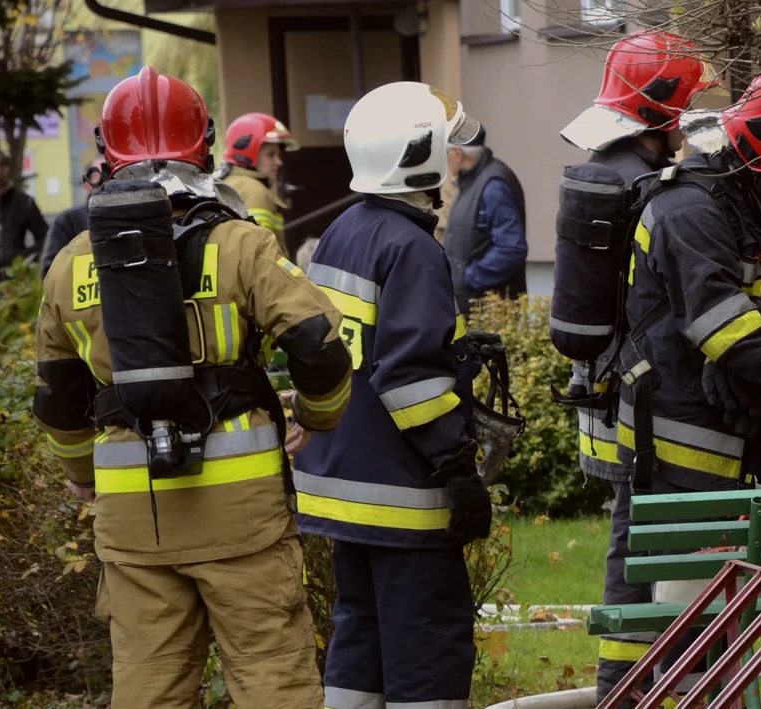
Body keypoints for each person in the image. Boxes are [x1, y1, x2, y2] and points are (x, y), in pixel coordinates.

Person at [33, 67, 352, 708]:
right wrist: (316, 421)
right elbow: (320, 347)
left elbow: (57, 396)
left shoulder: (69, 264)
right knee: (271, 679)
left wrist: (81, 473)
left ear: (106, 152)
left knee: (149, 686)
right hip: (242, 517)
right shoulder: (240, 245)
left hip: (132, 517)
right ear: (203, 146)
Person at [614, 67, 761, 692]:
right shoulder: (687, 210)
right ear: (760, 154)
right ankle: (623, 695)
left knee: (724, 603)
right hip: (678, 439)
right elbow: (718, 321)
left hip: (737, 431)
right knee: (670, 592)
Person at [294, 81, 493, 709]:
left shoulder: (342, 230)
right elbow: (412, 379)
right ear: (420, 159)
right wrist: (458, 467)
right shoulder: (412, 248)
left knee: (361, 629)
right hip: (405, 492)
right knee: (427, 641)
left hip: (343, 483)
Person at [556, 29, 716, 700]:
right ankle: (638, 682)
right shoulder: (654, 190)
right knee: (649, 539)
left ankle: (624, 681)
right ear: (664, 111)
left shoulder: (601, 167)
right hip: (647, 398)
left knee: (634, 534)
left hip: (608, 385)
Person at [445, 125, 528, 313]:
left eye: (447, 153)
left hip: (487, 308)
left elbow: (511, 248)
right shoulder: (473, 181)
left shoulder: (493, 186)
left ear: (457, 153)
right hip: (471, 304)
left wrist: (468, 277)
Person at [216, 112, 299, 254]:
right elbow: (263, 254)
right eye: (271, 154)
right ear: (248, 153)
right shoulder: (255, 191)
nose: (279, 162)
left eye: (279, 155)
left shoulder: (229, 183)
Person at [40, 156, 106, 278]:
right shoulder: (67, 221)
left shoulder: (132, 217)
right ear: (87, 183)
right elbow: (50, 271)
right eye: (100, 174)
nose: (107, 181)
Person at [0, 152, 48, 272]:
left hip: (14, 282)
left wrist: (22, 259)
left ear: (5, 169)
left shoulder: (23, 202)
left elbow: (45, 237)